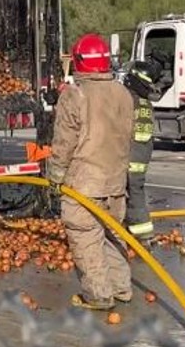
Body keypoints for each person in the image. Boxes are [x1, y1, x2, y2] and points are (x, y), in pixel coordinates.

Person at [46, 33, 135, 311]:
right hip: (116, 184)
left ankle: (98, 295)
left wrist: (55, 177)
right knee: (112, 236)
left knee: (86, 237)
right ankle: (121, 288)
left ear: (79, 62)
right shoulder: (123, 93)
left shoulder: (75, 95)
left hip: (83, 185)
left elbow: (63, 143)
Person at [121, 59, 164, 241]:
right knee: (134, 190)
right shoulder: (144, 101)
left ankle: (142, 237)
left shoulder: (131, 100)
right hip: (141, 154)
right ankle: (135, 231)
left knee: (132, 193)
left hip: (131, 155)